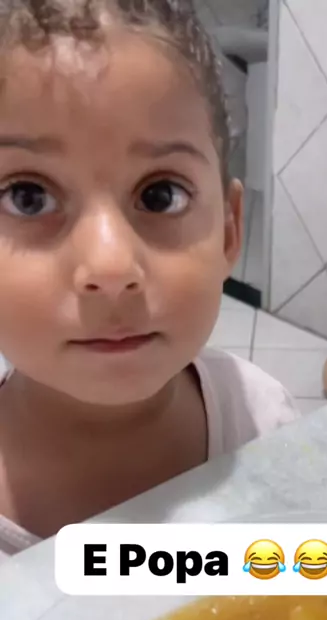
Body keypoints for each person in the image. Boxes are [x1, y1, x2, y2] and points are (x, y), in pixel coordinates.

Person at [0, 0, 298, 558]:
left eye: (160, 195)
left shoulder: (261, 422)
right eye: (27, 196)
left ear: (228, 232)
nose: (111, 267)